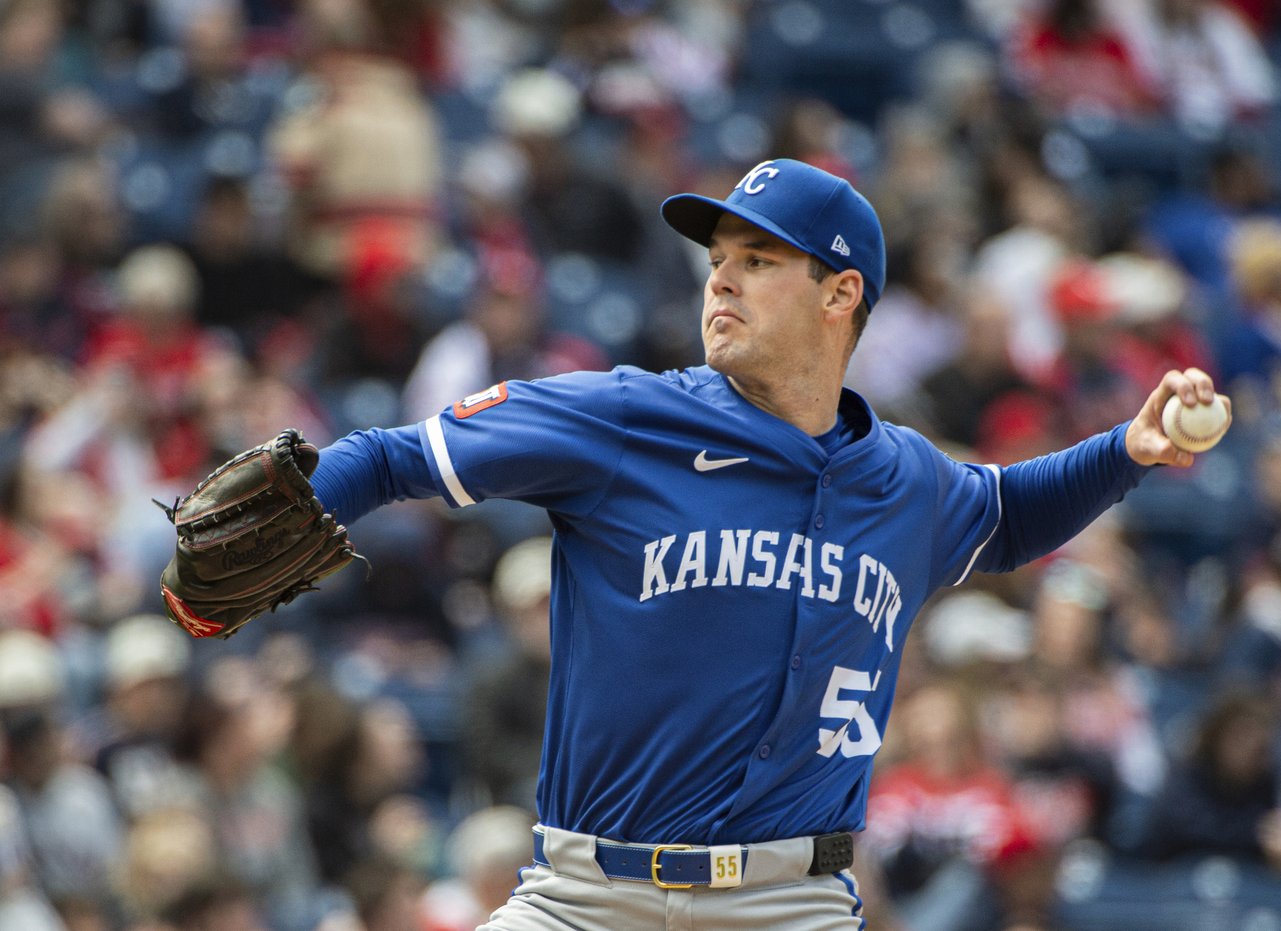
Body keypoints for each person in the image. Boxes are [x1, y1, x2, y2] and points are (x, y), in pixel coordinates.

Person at [188, 158, 1227, 929]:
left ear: (839, 293)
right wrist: (295, 508)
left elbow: (1006, 516)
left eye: (758, 260)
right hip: (587, 898)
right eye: (716, 259)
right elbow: (393, 456)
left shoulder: (904, 477)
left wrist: (1127, 450)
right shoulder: (625, 418)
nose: (719, 282)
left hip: (792, 904)